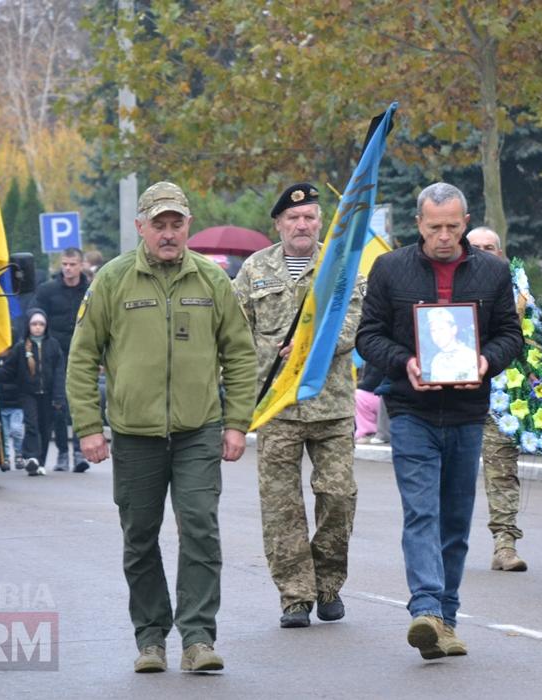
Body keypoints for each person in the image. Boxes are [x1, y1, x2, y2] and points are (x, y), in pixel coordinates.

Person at [66, 181, 257, 673]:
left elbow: (239, 354)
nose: (168, 234)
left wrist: (237, 423)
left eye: (176, 225)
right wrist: (90, 425)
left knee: (200, 529)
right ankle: (151, 639)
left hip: (198, 431)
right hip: (134, 435)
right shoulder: (112, 280)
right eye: (159, 225)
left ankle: (197, 639)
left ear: (187, 226)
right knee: (140, 536)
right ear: (141, 228)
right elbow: (83, 357)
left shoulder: (213, 282)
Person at [356, 183, 522, 659]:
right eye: (435, 228)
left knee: (455, 518)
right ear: (419, 224)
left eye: (453, 226)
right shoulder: (390, 269)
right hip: (412, 410)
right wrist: (405, 361)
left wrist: (487, 360)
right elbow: (369, 335)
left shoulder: (492, 271)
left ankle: (445, 620)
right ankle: (425, 608)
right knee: (422, 510)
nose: (444, 236)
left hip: (469, 413)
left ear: (465, 221)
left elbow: (511, 335)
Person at [232, 183, 361, 629]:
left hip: (331, 404)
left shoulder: (341, 265)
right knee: (281, 506)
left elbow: (353, 324)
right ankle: (295, 596)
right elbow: (235, 334)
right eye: (293, 218)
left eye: (309, 216)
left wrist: (309, 348)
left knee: (338, 497)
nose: (301, 224)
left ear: (320, 221)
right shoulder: (254, 270)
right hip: (276, 408)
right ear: (279, 224)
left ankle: (329, 585)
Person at [466, 226, 527, 573]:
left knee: (502, 471)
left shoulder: (519, 296)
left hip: (503, 395)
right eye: (477, 248)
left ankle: (505, 543)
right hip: (453, 395)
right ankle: (443, 541)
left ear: (501, 254)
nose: (485, 253)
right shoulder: (449, 288)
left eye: (491, 248)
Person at [33, 247, 90, 472]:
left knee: (82, 402)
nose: (68, 268)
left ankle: (78, 451)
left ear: (81, 265)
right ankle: (63, 453)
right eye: (65, 264)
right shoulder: (48, 290)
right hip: (54, 357)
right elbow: (35, 313)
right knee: (59, 404)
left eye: (72, 264)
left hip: (84, 354)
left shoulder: (90, 290)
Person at [0, 309, 65, 476]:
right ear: (28, 326)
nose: (38, 327)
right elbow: (9, 370)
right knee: (32, 424)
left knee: (45, 427)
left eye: (41, 324)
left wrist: (58, 396)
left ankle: (40, 462)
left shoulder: (53, 345)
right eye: (34, 324)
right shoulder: (20, 347)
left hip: (48, 394)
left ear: (46, 326)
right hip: (28, 394)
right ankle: (31, 457)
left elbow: (59, 373)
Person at [424, 307, 478, 383]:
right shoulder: (436, 360)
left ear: (454, 329)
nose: (437, 335)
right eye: (433, 330)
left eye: (441, 329)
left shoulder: (470, 356)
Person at [0, 351, 24, 472]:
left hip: (16, 404)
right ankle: (5, 458)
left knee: (16, 430)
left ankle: (19, 455)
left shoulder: (16, 359)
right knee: (4, 434)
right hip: (1, 405)